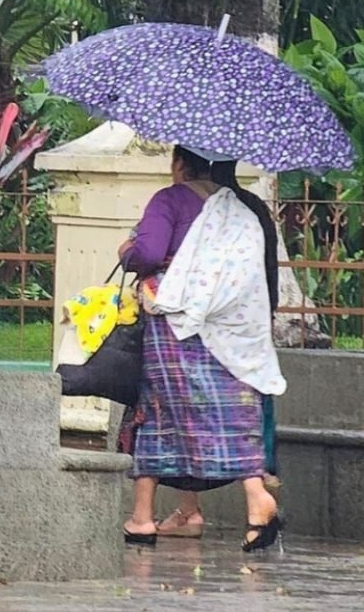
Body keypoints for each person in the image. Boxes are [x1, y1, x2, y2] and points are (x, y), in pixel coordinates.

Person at [117, 147, 285, 553]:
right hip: (232, 327)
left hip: (175, 325)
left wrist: (127, 251)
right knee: (231, 412)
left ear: (180, 164)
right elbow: (264, 271)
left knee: (158, 411)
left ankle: (142, 517)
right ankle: (247, 499)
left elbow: (149, 253)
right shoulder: (248, 207)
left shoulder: (170, 200)